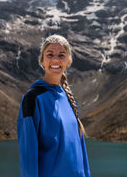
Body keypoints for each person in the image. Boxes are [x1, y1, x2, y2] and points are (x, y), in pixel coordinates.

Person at [17, 34, 91, 177]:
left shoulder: (69, 99)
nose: (55, 59)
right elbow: (28, 157)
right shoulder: (33, 99)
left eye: (61, 55)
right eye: (50, 54)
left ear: (68, 61)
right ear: (42, 60)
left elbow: (81, 152)